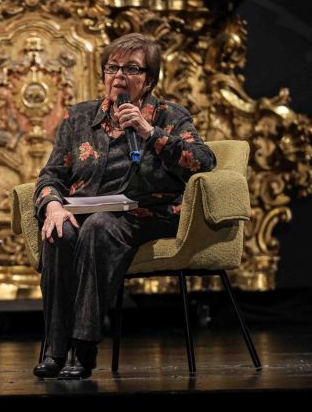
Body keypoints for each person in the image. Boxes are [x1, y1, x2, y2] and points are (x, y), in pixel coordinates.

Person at [32, 33, 216, 379]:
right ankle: (54, 349)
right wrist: (53, 206)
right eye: (112, 68)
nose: (118, 76)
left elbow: (204, 162)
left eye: (131, 69)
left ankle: (82, 348)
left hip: (148, 214)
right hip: (89, 214)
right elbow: (50, 175)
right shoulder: (79, 118)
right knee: (59, 231)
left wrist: (150, 133)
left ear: (148, 80)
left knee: (101, 227)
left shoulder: (168, 115)